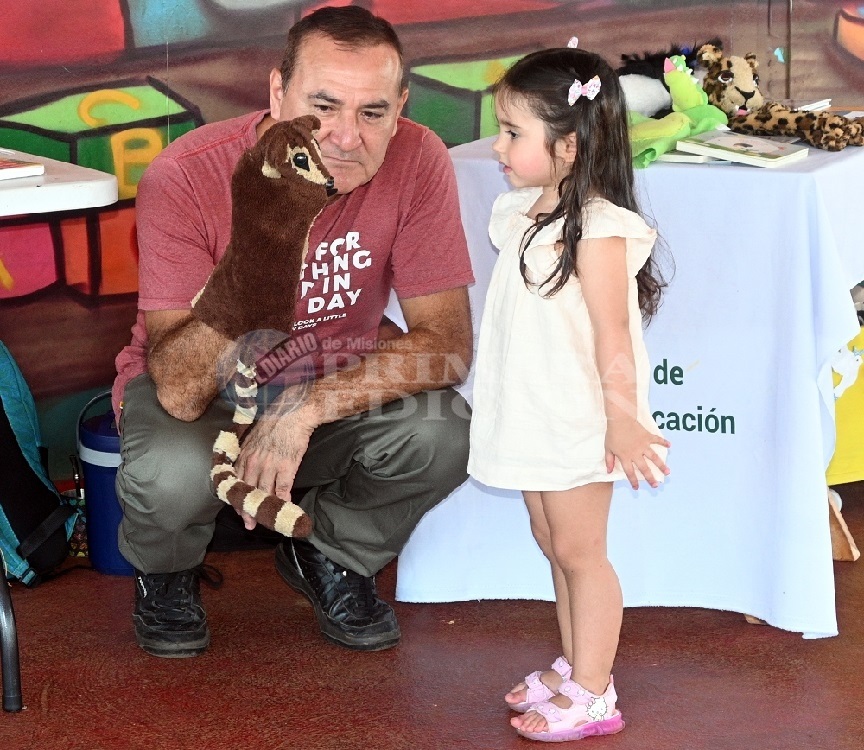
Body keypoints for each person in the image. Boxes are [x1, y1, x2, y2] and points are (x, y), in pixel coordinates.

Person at [112, 6, 474, 658]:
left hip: (330, 380)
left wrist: (304, 409)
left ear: (400, 109)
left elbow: (446, 346)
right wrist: (268, 235)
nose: (346, 137)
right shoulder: (186, 173)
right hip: (206, 389)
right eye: (323, 107)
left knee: (444, 432)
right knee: (171, 473)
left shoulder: (418, 158)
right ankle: (165, 573)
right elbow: (180, 391)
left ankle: (330, 552)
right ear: (278, 94)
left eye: (373, 113)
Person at [467, 46, 670, 742]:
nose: (498, 147)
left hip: (579, 419)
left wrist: (623, 421)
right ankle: (578, 663)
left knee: (582, 554)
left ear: (570, 145)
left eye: (512, 133)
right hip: (533, 413)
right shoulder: (526, 212)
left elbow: (614, 334)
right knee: (552, 541)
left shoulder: (600, 229)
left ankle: (594, 691)